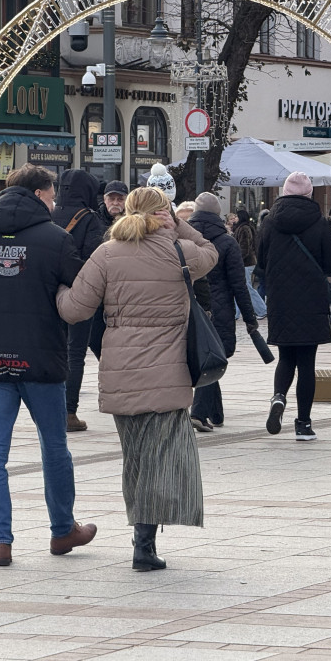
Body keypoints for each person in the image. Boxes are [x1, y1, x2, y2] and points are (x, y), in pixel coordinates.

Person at [57, 187, 218, 571]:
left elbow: (75, 310)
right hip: (168, 375)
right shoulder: (180, 252)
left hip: (121, 374)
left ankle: (143, 540)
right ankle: (143, 545)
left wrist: (58, 289)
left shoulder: (106, 254)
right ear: (164, 214)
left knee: (136, 460)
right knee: (158, 460)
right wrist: (181, 226)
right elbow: (212, 251)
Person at [0, 163, 96, 567]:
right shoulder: (56, 239)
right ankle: (62, 530)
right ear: (38, 194)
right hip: (42, 360)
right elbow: (82, 294)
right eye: (52, 195)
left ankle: (1, 542)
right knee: (54, 447)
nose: (55, 203)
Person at [257, 172, 331, 442]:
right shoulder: (318, 221)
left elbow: (260, 260)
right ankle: (303, 424)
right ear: (309, 194)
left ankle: (279, 397)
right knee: (306, 363)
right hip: (311, 299)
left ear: (283, 192)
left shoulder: (270, 222)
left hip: (281, 298)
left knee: (285, 357)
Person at [188, 193, 258, 431]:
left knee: (207, 355)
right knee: (213, 358)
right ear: (218, 214)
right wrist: (250, 319)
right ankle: (198, 412)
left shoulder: (183, 240)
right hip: (219, 310)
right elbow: (240, 285)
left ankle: (215, 413)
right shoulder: (227, 243)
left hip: (188, 308)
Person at [51, 169, 107, 432]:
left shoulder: (47, 215)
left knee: (54, 352)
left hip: (48, 295)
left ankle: (49, 409)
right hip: (79, 295)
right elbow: (94, 261)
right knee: (75, 354)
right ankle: (68, 412)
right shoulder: (89, 218)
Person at [231, 209, 268, 321]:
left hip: (246, 263)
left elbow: (245, 248)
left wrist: (237, 259)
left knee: (246, 287)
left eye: (236, 217)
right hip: (245, 262)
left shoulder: (244, 229)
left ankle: (262, 309)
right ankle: (236, 313)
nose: (235, 219)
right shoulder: (243, 228)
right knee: (241, 287)